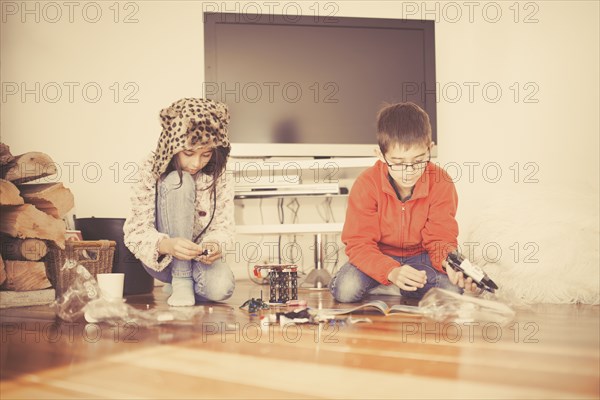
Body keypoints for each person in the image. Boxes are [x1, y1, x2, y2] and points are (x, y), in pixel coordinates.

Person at [330, 102, 477, 303]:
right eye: (398, 163)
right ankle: (391, 281)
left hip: (421, 258)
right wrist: (390, 270)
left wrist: (448, 264)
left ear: (430, 149)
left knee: (451, 288)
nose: (409, 172)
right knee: (346, 289)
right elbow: (359, 243)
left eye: (418, 161)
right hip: (377, 255)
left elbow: (440, 239)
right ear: (380, 155)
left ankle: (399, 285)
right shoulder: (366, 184)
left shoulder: (441, 182)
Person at [124, 98, 235, 306]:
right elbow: (135, 232)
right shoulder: (149, 168)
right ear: (173, 146)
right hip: (163, 259)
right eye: (189, 153)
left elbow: (224, 227)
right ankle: (181, 280)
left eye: (206, 154)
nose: (196, 163)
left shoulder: (222, 175)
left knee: (222, 288)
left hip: (198, 259)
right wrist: (167, 245)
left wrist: (214, 244)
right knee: (179, 180)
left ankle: (183, 283)